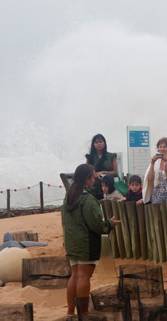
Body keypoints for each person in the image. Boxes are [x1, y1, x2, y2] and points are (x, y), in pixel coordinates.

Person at [61, 164, 120, 316]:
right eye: (93, 177)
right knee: (83, 276)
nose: (94, 180)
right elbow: (96, 225)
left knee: (74, 276)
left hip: (71, 242)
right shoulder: (87, 199)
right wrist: (110, 224)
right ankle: (84, 313)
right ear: (87, 179)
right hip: (86, 243)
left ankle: (70, 311)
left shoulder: (68, 197)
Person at [85, 134, 118, 200]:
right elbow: (86, 172)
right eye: (96, 142)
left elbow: (116, 173)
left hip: (108, 188)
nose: (99, 144)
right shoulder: (90, 157)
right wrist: (94, 174)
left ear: (104, 143)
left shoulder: (111, 156)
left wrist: (103, 172)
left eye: (101, 142)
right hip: (93, 188)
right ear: (93, 144)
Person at [143, 137, 167, 204]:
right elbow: (150, 178)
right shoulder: (156, 162)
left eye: (164, 147)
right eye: (160, 147)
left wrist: (166, 162)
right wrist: (152, 163)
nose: (162, 149)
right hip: (156, 193)